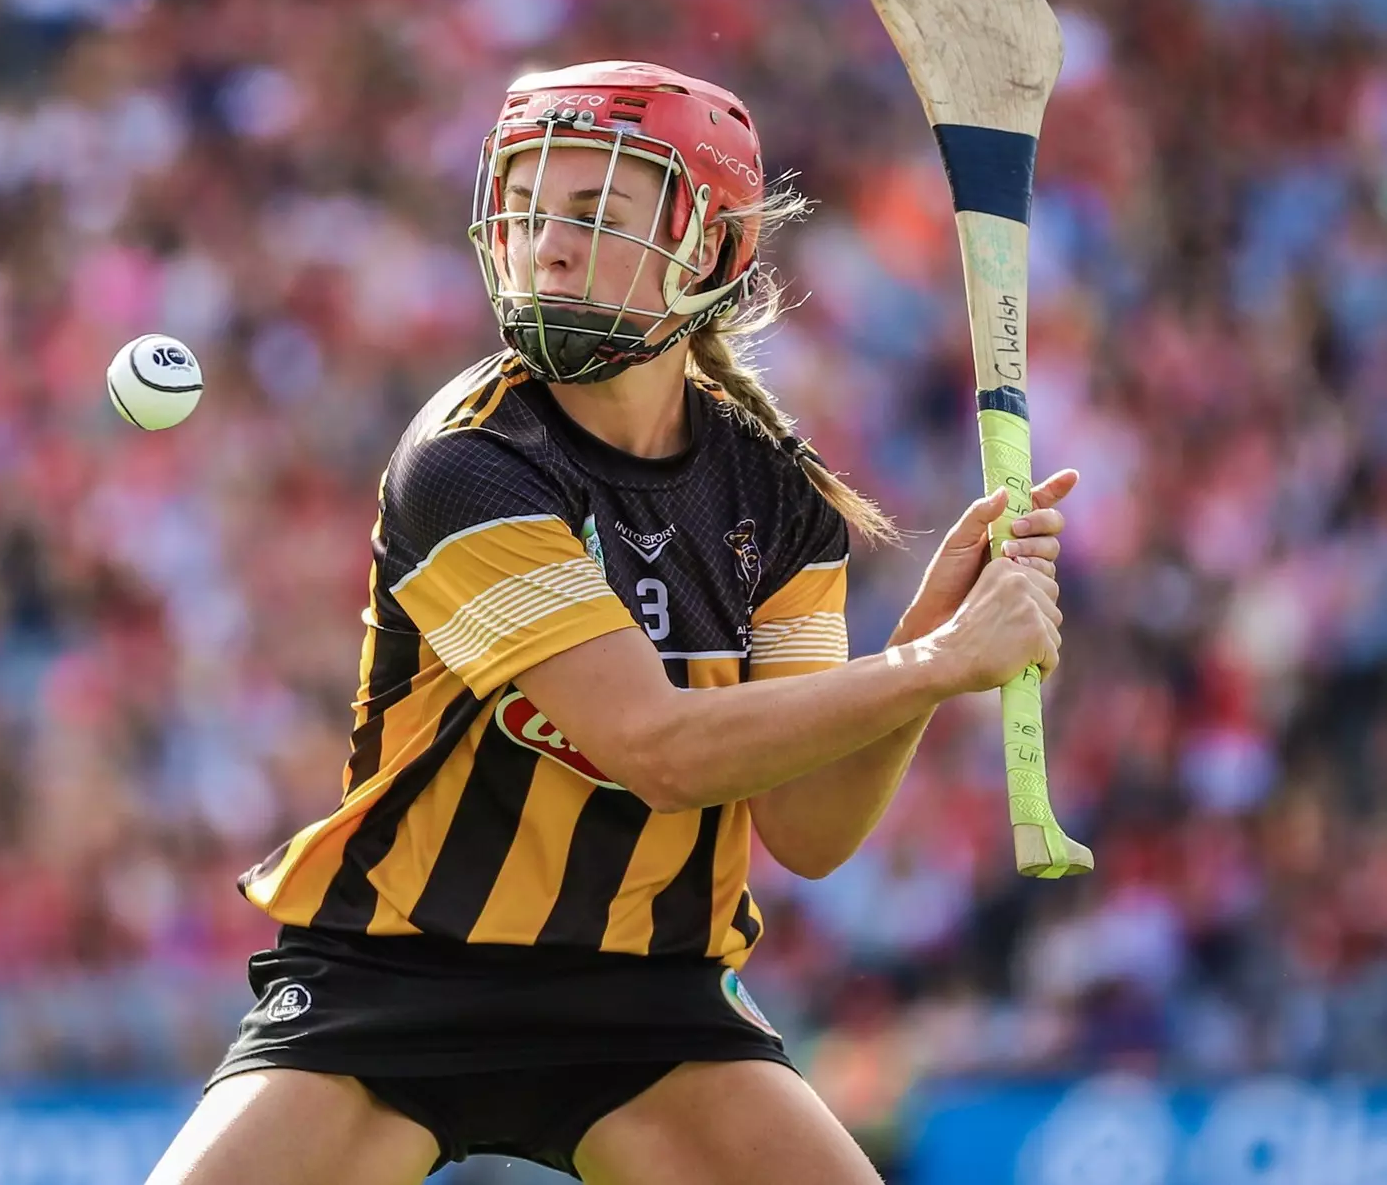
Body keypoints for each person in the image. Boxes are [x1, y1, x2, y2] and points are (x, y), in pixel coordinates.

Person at [147, 61, 1076, 1184]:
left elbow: (810, 832)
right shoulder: (468, 462)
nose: (547, 242)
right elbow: (657, 749)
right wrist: (931, 660)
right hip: (395, 982)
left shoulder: (775, 494)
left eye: (597, 214)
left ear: (713, 249)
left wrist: (929, 654)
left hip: (648, 1003)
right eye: (532, 208)